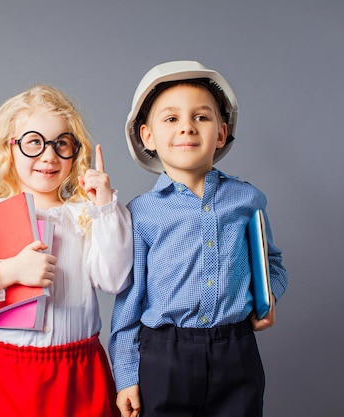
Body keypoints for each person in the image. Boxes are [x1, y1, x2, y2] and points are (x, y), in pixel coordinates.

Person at [0, 84, 133, 417]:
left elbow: (113, 279)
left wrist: (104, 206)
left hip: (82, 371)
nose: (49, 156)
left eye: (61, 144)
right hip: (14, 375)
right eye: (34, 143)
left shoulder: (86, 215)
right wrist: (8, 271)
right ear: (9, 149)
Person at [109, 61, 289, 417]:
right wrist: (127, 374)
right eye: (171, 119)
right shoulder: (141, 213)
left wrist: (267, 297)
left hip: (235, 350)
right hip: (164, 355)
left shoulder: (247, 199)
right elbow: (129, 299)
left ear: (221, 134)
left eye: (201, 117)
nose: (187, 128)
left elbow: (273, 265)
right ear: (148, 137)